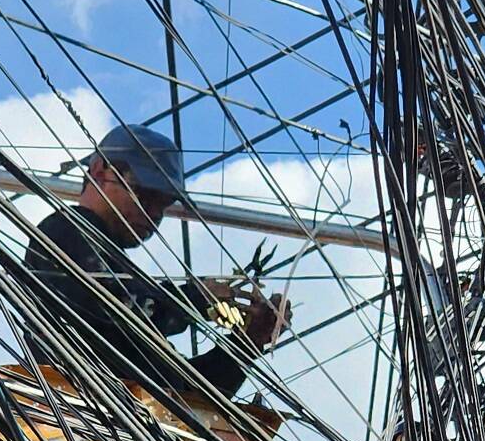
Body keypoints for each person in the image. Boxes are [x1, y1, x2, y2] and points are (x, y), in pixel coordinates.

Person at [23, 124, 289, 398]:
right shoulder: (65, 231)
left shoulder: (113, 266)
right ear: (101, 172)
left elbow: (189, 398)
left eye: (163, 206)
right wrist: (192, 298)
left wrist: (247, 343)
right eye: (144, 196)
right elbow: (117, 306)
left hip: (132, 432)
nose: (153, 215)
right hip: (86, 422)